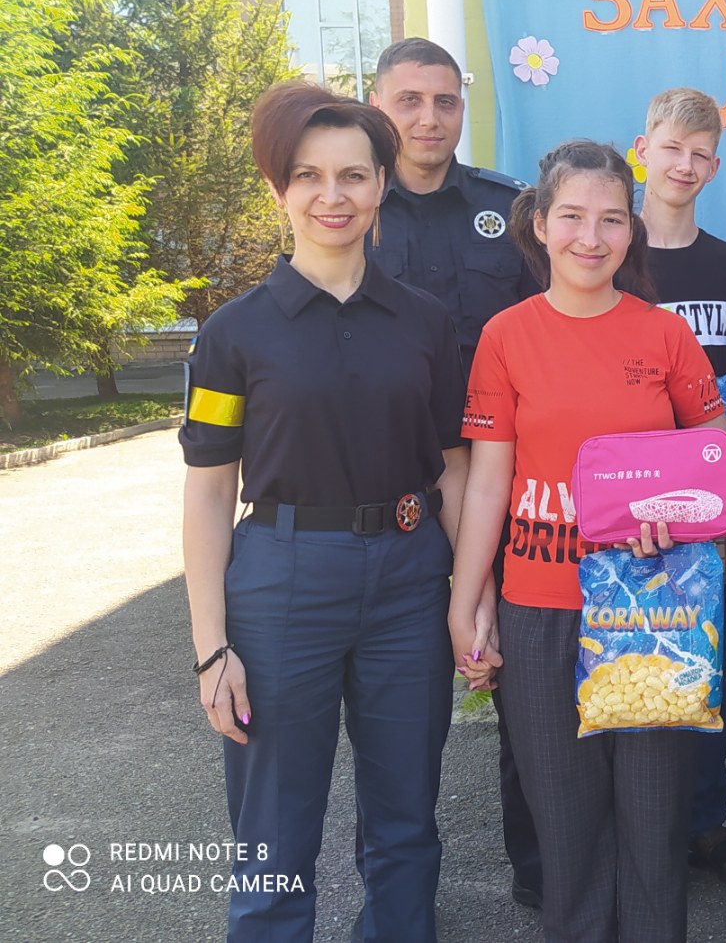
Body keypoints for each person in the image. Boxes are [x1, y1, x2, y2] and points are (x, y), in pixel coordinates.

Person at [180, 80, 467, 941]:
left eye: (353, 175)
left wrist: (469, 597)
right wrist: (211, 649)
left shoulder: (427, 323)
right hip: (281, 582)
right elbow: (208, 490)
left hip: (409, 580)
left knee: (406, 820)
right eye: (307, 175)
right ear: (279, 189)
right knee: (273, 827)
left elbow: (453, 466)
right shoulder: (233, 334)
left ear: (382, 185)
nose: (331, 196)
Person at [447, 140, 726, 942]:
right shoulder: (506, 336)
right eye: (571, 216)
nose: (591, 238)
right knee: (564, 828)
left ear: (632, 230)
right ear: (539, 224)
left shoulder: (665, 336)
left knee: (652, 821)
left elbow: (715, 464)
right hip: (540, 605)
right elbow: (488, 484)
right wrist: (468, 601)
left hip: (651, 611)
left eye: (611, 220)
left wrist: (677, 517)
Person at [365, 35, 544, 912]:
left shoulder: (508, 210)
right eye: (409, 100)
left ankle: (542, 872)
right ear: (377, 106)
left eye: (445, 100)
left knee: (524, 691)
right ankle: (399, 903)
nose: (429, 118)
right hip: (390, 490)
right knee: (401, 717)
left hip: (505, 483)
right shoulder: (352, 207)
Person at [632, 86, 726, 891]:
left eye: (699, 154)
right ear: (643, 150)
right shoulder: (610, 252)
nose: (683, 165)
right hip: (629, 497)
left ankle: (705, 825)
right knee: (634, 657)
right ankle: (639, 828)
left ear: (715, 167)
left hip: (716, 497)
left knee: (709, 665)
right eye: (671, 147)